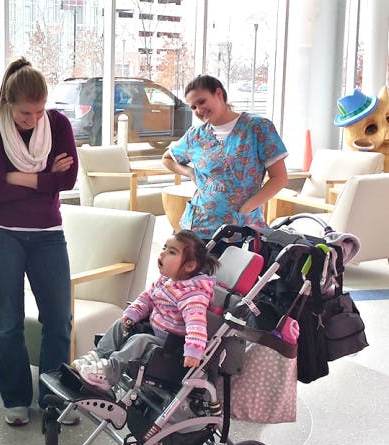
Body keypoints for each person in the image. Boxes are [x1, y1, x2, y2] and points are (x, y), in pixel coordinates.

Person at [0, 57, 78, 426]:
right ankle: (15, 399)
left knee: (58, 319)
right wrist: (45, 177)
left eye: (38, 112)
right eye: (24, 114)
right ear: (6, 103)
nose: (32, 120)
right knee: (9, 320)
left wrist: (19, 178)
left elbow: (68, 182)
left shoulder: (59, 125)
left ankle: (54, 398)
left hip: (47, 234)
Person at [73, 230, 219, 392]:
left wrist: (193, 351)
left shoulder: (193, 294)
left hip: (172, 344)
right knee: (119, 324)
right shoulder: (165, 281)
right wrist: (133, 313)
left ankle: (110, 372)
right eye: (164, 248)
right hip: (156, 329)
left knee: (140, 340)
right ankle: (98, 355)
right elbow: (147, 298)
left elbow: (196, 324)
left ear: (189, 266)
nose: (163, 253)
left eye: (172, 252)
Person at [162, 75, 288, 254]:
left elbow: (280, 178)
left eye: (202, 101)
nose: (198, 110)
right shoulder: (195, 134)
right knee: (186, 281)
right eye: (193, 107)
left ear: (219, 93)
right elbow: (167, 159)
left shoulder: (258, 127)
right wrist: (189, 172)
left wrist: (247, 208)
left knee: (234, 281)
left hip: (240, 229)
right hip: (196, 226)